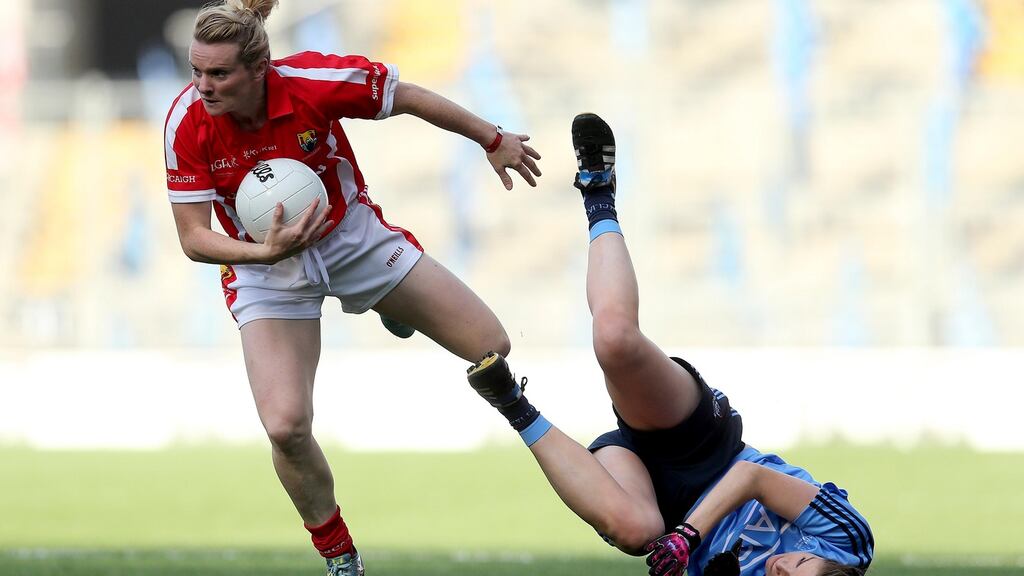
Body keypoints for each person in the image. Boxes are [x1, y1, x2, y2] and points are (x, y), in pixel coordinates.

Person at [162, 1, 542, 574]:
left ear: (259, 69)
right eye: (197, 71)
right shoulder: (186, 121)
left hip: (350, 240)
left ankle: (391, 303)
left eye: (219, 74)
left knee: (492, 346)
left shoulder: (316, 81)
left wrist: (493, 139)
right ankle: (340, 557)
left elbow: (407, 96)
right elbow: (194, 237)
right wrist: (262, 252)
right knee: (285, 426)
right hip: (267, 270)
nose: (203, 87)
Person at [465, 113, 872, 576]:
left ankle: (509, 400)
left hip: (658, 506)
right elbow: (752, 478)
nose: (778, 569)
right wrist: (690, 536)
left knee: (636, 531)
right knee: (614, 340)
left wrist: (679, 555)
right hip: (707, 449)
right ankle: (599, 193)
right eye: (797, 564)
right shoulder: (846, 539)